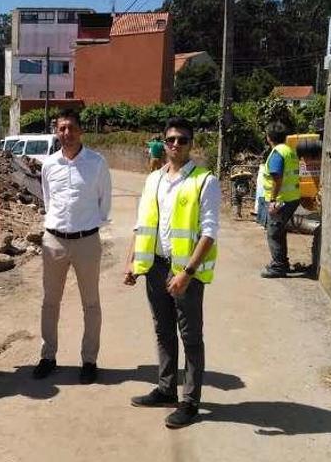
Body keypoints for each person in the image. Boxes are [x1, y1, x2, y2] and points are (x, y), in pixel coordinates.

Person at [123, 117, 221, 429]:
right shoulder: (153, 179)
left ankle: (190, 402)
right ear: (163, 144)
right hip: (155, 266)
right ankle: (167, 389)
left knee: (190, 336)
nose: (175, 144)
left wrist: (187, 273)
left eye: (182, 139)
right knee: (163, 331)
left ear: (192, 144)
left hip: (184, 272)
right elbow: (142, 224)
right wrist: (132, 262)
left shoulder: (205, 181)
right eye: (170, 140)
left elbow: (209, 232)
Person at [32, 109, 112, 384]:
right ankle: (48, 356)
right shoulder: (49, 165)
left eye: (71, 128)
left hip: (87, 242)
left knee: (90, 303)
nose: (66, 134)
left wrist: (88, 226)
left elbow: (105, 202)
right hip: (54, 241)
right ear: (57, 131)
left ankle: (89, 360)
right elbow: (48, 199)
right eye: (62, 128)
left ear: (81, 131)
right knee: (49, 302)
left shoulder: (97, 163)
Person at [260, 121, 300, 278]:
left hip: (281, 200)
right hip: (292, 198)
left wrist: (272, 200)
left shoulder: (277, 153)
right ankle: (281, 262)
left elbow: (277, 178)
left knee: (274, 232)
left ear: (269, 137)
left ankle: (279, 266)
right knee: (279, 231)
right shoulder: (289, 150)